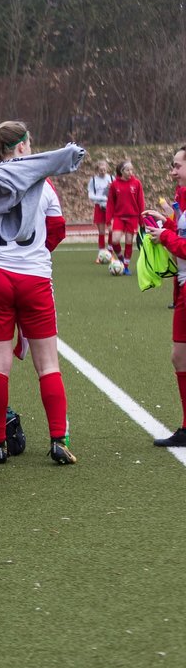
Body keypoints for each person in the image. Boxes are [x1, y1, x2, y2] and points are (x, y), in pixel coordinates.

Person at [0, 121, 76, 466]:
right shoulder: (43, 184)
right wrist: (35, 257)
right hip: (33, 280)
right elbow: (57, 232)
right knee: (48, 365)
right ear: (20, 147)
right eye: (29, 142)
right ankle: (58, 440)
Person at [141, 145, 186, 447]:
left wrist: (165, 237)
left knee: (180, 355)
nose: (172, 171)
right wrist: (167, 222)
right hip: (183, 287)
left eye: (177, 166)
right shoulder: (182, 200)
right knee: (180, 356)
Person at [107, 160, 144, 274]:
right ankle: (121, 260)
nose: (130, 172)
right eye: (128, 170)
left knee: (129, 241)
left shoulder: (137, 183)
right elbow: (110, 203)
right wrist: (109, 220)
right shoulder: (114, 184)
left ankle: (126, 266)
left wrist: (141, 219)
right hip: (119, 216)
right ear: (121, 171)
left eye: (132, 169)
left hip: (133, 217)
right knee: (114, 240)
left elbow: (140, 202)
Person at [87, 159, 113, 260]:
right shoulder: (93, 180)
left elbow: (116, 192)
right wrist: (103, 198)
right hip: (99, 207)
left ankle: (110, 252)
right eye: (101, 170)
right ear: (97, 170)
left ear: (107, 169)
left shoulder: (111, 178)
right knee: (101, 231)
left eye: (104, 169)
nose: (103, 171)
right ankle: (101, 254)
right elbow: (91, 195)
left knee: (111, 230)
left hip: (110, 208)